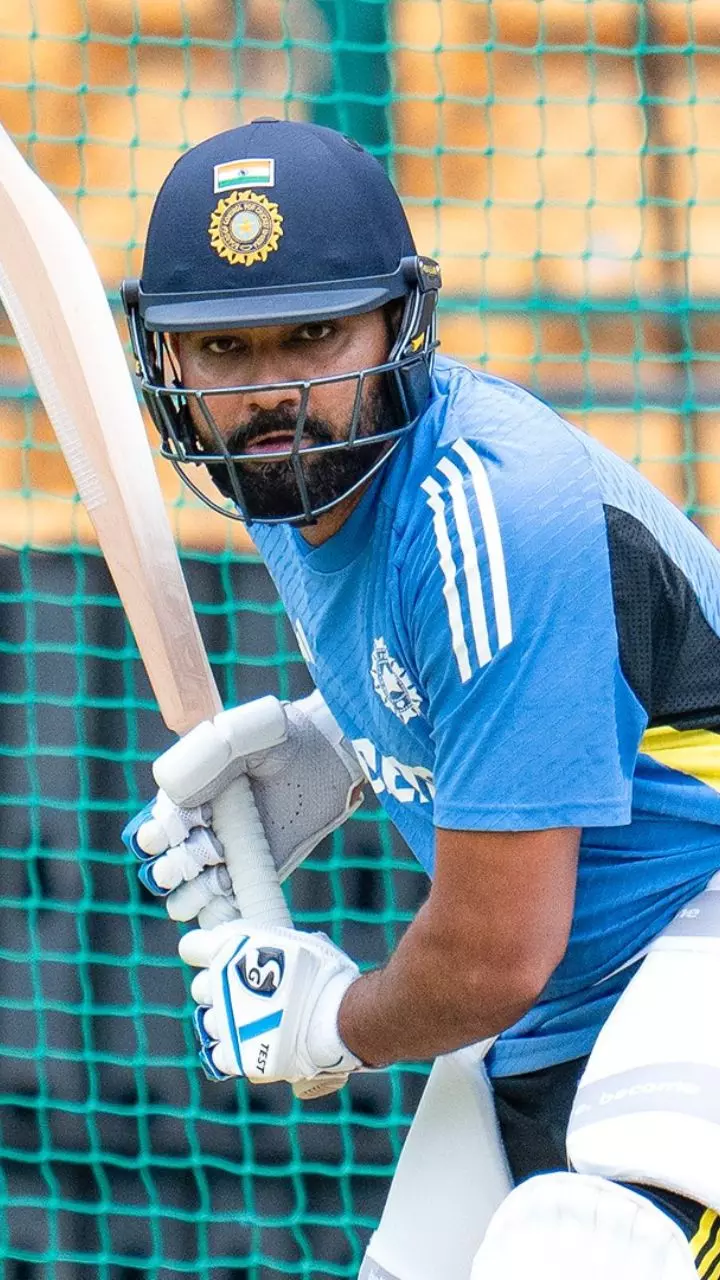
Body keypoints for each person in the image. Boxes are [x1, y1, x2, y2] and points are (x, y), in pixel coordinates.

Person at [120, 119, 720, 1279]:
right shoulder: (293, 488)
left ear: (402, 322)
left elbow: (496, 953)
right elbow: (472, 674)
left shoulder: (491, 511)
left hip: (678, 938)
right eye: (225, 349)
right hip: (583, 985)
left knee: (579, 1256)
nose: (275, 390)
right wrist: (336, 747)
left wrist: (329, 1024)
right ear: (171, 360)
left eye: (314, 334)